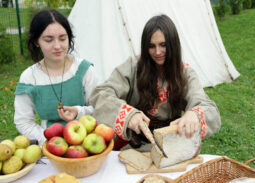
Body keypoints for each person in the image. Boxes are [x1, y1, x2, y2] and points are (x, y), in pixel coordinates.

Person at [90, 14, 221, 150]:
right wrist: (128, 114)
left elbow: (207, 107)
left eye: (163, 45)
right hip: (134, 145)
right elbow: (101, 93)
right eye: (151, 46)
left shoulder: (185, 73)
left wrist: (194, 114)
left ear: (173, 44)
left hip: (171, 145)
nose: (157, 52)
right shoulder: (132, 66)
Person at [14, 9, 98, 145]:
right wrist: (48, 140)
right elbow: (23, 121)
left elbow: (99, 108)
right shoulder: (29, 78)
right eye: (48, 40)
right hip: (49, 145)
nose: (57, 46)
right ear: (36, 41)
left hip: (87, 142)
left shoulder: (85, 70)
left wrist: (78, 112)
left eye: (63, 38)